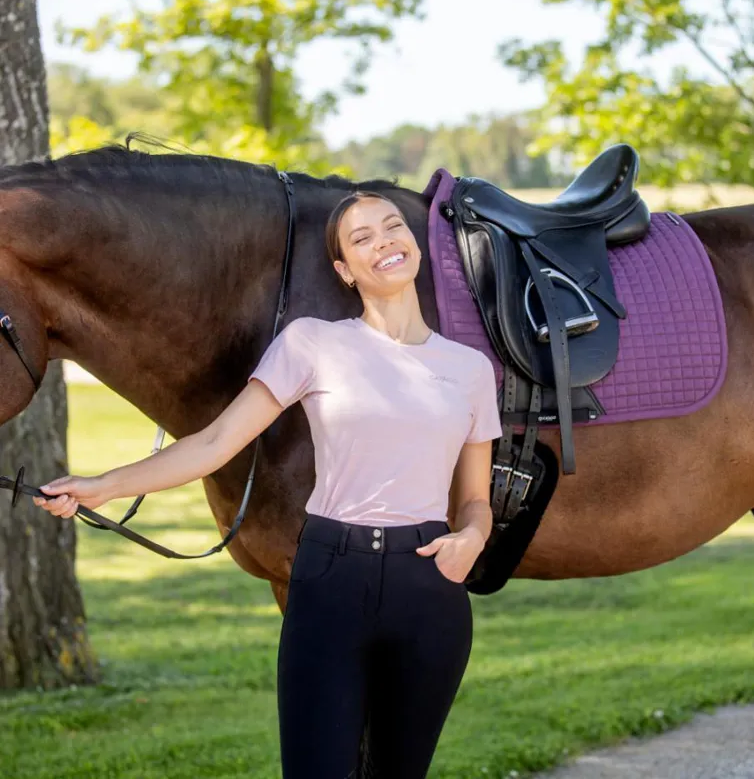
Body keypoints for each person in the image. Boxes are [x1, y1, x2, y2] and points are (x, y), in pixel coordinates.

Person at [35, 190, 502, 778]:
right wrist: (103, 485)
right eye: (362, 238)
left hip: (429, 587)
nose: (383, 240)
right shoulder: (313, 343)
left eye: (393, 227)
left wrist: (472, 540)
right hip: (332, 580)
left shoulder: (469, 370)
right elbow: (213, 443)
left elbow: (476, 501)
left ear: (413, 244)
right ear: (344, 271)